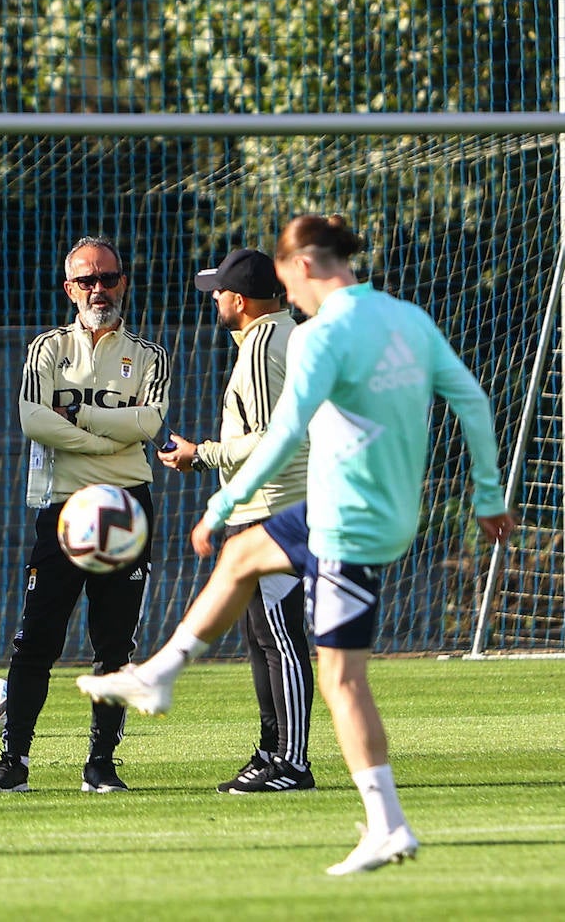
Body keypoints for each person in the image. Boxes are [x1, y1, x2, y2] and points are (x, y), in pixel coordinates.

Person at [78, 215, 516, 874]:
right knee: (244, 556)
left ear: (304, 267)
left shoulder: (317, 338)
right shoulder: (408, 320)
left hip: (345, 521)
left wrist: (219, 501)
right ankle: (159, 674)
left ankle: (385, 823)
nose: (287, 294)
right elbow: (474, 402)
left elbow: (282, 437)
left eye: (286, 279)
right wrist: (487, 496)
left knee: (343, 680)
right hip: (384, 512)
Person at [0, 236, 171, 794]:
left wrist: (79, 414)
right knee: (36, 637)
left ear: (123, 282)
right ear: (69, 289)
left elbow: (149, 425)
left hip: (127, 506)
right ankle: (13, 762)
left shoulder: (151, 355)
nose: (98, 289)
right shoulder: (47, 349)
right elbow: (33, 420)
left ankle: (101, 766)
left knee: (115, 644)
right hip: (62, 509)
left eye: (108, 278)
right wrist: (106, 436)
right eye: (86, 280)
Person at [160, 248, 315, 794]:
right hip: (263, 510)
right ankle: (272, 753)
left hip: (274, 511)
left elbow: (280, 435)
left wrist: (202, 453)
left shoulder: (265, 346)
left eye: (220, 292)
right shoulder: (273, 338)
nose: (215, 301)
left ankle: (292, 762)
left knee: (281, 637)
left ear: (240, 301)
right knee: (262, 637)